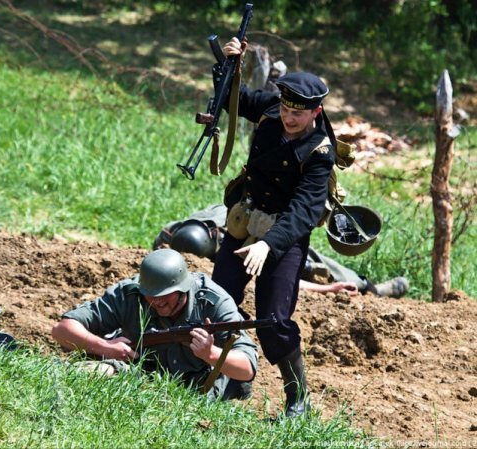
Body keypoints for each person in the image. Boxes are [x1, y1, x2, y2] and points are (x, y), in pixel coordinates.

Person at [205, 36, 338, 418]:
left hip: (284, 236)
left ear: (316, 112)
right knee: (217, 301)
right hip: (246, 221)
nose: (289, 117)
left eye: (299, 113)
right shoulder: (271, 111)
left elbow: (305, 210)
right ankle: (229, 378)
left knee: (273, 321)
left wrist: (269, 246)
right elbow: (236, 100)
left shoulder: (319, 152)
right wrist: (228, 64)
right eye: (285, 108)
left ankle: (298, 399)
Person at [51, 248, 258, 401]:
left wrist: (210, 353)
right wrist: (106, 348)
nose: (157, 301)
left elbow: (247, 369)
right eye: (151, 295)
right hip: (141, 371)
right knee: (93, 373)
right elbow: (62, 330)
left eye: (164, 296)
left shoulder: (214, 302)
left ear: (183, 288)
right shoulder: (130, 294)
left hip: (196, 384)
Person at [152, 204, 409, 299]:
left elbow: (279, 270)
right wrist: (326, 290)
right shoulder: (173, 236)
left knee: (306, 261)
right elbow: (259, 279)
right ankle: (366, 287)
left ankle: (368, 286)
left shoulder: (226, 223)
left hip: (272, 224)